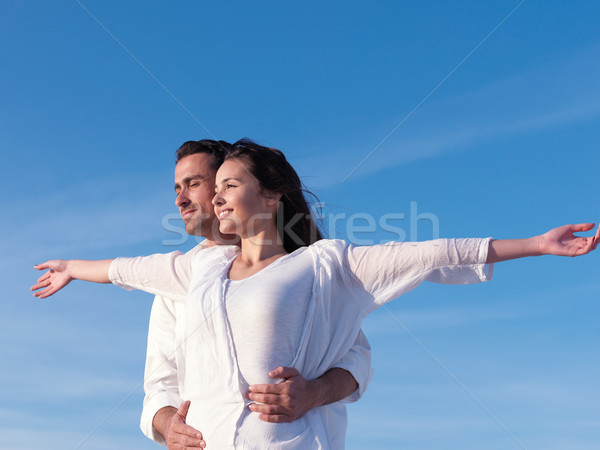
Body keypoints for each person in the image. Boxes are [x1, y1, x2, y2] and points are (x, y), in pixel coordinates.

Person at [32, 138, 599, 449]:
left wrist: (535, 244)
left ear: (272, 196)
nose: (206, 198)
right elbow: (130, 269)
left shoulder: (324, 267)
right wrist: (71, 267)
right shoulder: (192, 274)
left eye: (224, 184)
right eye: (208, 187)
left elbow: (431, 254)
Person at [142, 139, 373, 448]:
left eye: (193, 184)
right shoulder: (178, 283)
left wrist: (314, 392)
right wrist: (168, 424)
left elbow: (356, 359)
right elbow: (158, 386)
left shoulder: (303, 271)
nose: (179, 200)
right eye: (176, 189)